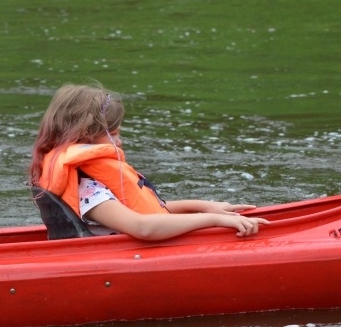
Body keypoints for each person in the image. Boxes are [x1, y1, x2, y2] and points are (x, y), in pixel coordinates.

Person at [29, 84, 269, 240]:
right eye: (115, 134)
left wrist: (204, 205)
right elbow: (144, 227)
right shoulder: (89, 190)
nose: (119, 142)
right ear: (85, 135)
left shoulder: (89, 183)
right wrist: (215, 220)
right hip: (114, 258)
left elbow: (145, 209)